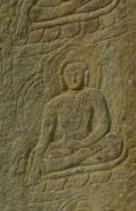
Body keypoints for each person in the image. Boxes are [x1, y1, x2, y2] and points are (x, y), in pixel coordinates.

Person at [28, 55, 123, 183]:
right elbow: (45, 136)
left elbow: (103, 124)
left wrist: (83, 143)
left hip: (89, 143)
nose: (73, 78)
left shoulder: (93, 95)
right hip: (65, 147)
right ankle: (74, 161)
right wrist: (36, 160)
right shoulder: (54, 103)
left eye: (77, 73)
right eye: (69, 74)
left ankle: (66, 163)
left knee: (115, 141)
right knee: (43, 155)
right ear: (62, 79)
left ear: (86, 76)